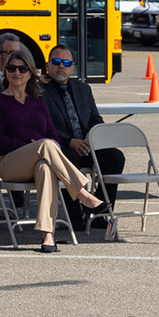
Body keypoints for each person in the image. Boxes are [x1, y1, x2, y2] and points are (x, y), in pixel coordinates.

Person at [0, 51, 105, 251]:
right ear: (6, 72)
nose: (17, 72)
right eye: (11, 68)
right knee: (46, 146)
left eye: (22, 68)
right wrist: (30, 145)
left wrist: (39, 146)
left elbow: (55, 138)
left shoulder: (39, 103)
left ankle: (47, 235)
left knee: (45, 167)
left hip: (38, 160)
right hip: (8, 162)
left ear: (30, 73)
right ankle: (82, 192)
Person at [41, 44, 124, 220]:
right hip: (61, 146)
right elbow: (41, 125)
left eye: (66, 62)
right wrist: (69, 141)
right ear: (48, 66)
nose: (61, 66)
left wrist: (91, 136)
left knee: (115, 157)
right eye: (56, 62)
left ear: (72, 68)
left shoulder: (83, 89)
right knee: (69, 158)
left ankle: (98, 213)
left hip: (86, 145)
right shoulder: (39, 90)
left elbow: (96, 118)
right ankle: (75, 217)